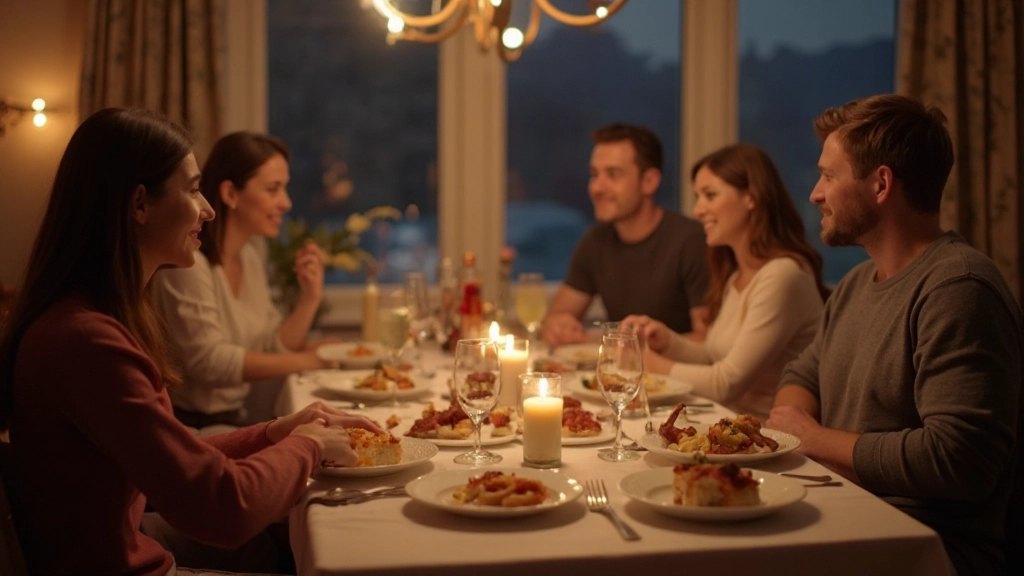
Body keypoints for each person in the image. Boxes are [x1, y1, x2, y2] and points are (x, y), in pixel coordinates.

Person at [0, 108, 381, 575]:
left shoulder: (91, 321)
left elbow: (180, 462)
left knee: (298, 536)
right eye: (194, 189)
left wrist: (274, 432)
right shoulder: (86, 342)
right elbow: (224, 507)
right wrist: (308, 446)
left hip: (125, 546)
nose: (208, 210)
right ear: (139, 205)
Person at [766, 94, 1022, 576]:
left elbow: (957, 458)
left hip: (925, 547)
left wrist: (815, 439)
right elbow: (804, 371)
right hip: (849, 513)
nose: (815, 194)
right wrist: (796, 424)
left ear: (881, 184)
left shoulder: (959, 287)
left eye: (829, 175)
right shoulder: (858, 284)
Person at [622, 144, 829, 421]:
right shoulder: (737, 275)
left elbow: (726, 384)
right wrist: (668, 340)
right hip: (727, 426)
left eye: (710, 195)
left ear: (751, 198)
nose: (697, 210)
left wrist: (651, 363)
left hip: (767, 439)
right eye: (698, 197)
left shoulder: (783, 275)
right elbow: (713, 356)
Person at [152, 131, 334, 429]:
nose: (286, 203)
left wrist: (310, 298)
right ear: (230, 194)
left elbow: (270, 344)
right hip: (192, 427)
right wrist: (309, 360)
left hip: (234, 420)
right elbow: (209, 363)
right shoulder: (188, 263)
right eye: (273, 189)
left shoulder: (249, 257)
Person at [541, 123, 709, 347]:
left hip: (679, 379)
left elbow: (707, 339)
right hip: (619, 378)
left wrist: (637, 345)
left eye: (613, 174)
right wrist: (557, 327)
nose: (597, 188)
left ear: (649, 181)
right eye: (594, 174)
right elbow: (556, 318)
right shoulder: (595, 242)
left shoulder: (691, 241)